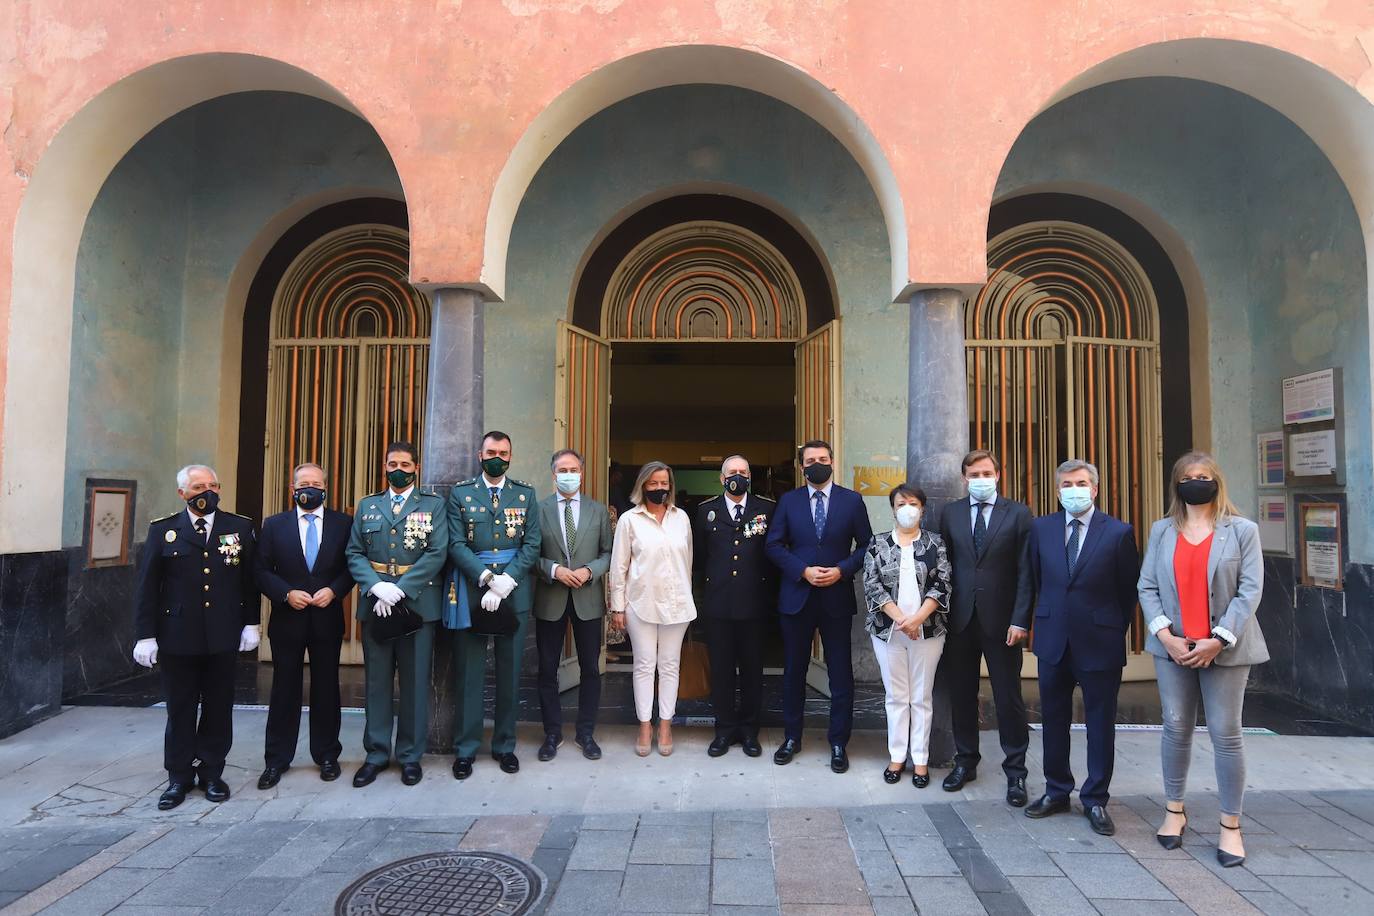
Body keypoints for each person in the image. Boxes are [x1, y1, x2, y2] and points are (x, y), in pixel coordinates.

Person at [1138, 451, 1266, 868]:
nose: (1197, 482)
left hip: (1224, 648)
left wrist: (1218, 639)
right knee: (1175, 727)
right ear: (1177, 483)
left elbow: (1250, 590)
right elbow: (1147, 586)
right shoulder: (1162, 531)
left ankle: (1231, 825)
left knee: (1226, 732)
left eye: (1204, 475)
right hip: (1173, 647)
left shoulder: (1242, 530)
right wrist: (1165, 636)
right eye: (1189, 476)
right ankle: (1174, 810)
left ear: (1217, 481)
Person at [132, 465, 259, 810]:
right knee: (180, 708)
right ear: (182, 493)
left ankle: (212, 772)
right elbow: (147, 588)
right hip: (177, 636)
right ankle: (179, 776)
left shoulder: (240, 527)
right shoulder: (164, 531)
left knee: (219, 707)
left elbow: (249, 582)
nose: (207, 491)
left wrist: (251, 623)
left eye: (212, 485)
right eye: (198, 486)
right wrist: (145, 636)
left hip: (222, 634)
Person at [1024, 459, 1140, 836]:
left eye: (1081, 483)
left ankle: (1095, 799)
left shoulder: (1119, 532)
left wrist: (1110, 625)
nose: (1074, 489)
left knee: (1100, 723)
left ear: (1095, 489)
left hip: (1100, 641)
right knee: (1053, 719)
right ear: (1058, 491)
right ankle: (1057, 790)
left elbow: (1128, 591)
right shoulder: (1041, 529)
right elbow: (1037, 580)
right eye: (1067, 484)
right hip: (1053, 638)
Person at [765, 439, 874, 773]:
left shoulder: (852, 501)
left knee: (841, 675)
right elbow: (773, 544)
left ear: (832, 462)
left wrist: (842, 569)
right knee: (794, 672)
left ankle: (839, 743)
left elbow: (867, 546)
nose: (817, 464)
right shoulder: (788, 501)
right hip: (797, 597)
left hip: (836, 597)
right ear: (802, 467)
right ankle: (791, 738)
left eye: (823, 459)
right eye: (810, 460)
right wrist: (802, 570)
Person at [345, 441, 449, 788]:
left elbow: (437, 552)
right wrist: (377, 588)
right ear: (384, 466)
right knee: (376, 683)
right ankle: (375, 754)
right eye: (393, 463)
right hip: (376, 603)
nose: (399, 470)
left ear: (416, 468)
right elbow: (355, 552)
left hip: (416, 605)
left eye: (406, 464)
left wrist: (401, 588)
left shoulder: (432, 506)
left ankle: (409, 756)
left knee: (415, 683)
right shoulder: (368, 505)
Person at [937, 449, 1034, 805]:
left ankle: (1016, 772)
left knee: (1008, 698)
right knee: (961, 694)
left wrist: (1021, 619)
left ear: (998, 474)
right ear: (965, 477)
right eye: (973, 474)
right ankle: (965, 761)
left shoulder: (1019, 514)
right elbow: (944, 566)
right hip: (960, 620)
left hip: (1003, 621)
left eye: (986, 473)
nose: (980, 479)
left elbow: (1027, 572)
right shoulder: (951, 513)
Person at [254, 462, 354, 788]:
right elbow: (260, 570)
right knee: (284, 690)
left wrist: (335, 590)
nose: (309, 487)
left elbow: (353, 565)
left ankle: (327, 755)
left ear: (325, 488)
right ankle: (276, 760)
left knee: (326, 688)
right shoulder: (274, 525)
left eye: (315, 482)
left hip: (326, 618)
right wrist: (285, 593)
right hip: (287, 619)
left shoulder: (343, 524)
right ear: (292, 489)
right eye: (303, 483)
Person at [448, 430, 542, 778]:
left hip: (513, 590)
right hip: (473, 591)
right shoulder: (461, 493)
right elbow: (456, 544)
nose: (497, 458)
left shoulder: (525, 494)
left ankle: (505, 745)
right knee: (470, 674)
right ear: (479, 455)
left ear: (511, 457)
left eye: (503, 452)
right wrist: (487, 579)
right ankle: (466, 748)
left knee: (509, 674)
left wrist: (507, 581)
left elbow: (532, 544)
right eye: (491, 451)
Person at [863, 484, 950, 787]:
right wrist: (902, 620)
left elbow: (943, 583)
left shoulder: (935, 544)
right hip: (888, 632)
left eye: (913, 503)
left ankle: (921, 760)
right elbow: (872, 584)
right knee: (896, 697)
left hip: (928, 631)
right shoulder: (878, 543)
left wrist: (918, 619)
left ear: (922, 508)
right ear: (893, 509)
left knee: (921, 697)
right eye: (901, 503)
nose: (908, 508)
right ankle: (897, 756)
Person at [608, 461, 696, 756]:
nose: (660, 488)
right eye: (653, 483)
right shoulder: (629, 520)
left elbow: (688, 562)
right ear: (643, 485)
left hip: (677, 604)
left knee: (670, 665)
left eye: (664, 483)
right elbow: (618, 566)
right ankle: (645, 725)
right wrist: (617, 607)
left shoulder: (681, 518)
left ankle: (666, 724)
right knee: (644, 665)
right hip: (641, 603)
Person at [693, 455, 777, 758]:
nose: (737, 476)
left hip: (754, 605)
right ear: (721, 478)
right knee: (722, 672)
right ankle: (725, 730)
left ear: (750, 476)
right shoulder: (706, 512)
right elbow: (700, 559)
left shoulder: (766, 509)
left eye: (743, 472)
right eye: (732, 472)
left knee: (753, 671)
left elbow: (772, 556)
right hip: (718, 607)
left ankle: (750, 731)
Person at [533, 448, 614, 762]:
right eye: (562, 469)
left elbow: (608, 552)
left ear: (582, 472)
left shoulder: (597, 511)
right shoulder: (537, 510)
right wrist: (554, 570)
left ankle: (586, 732)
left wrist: (589, 570)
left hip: (588, 599)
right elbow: (529, 555)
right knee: (547, 670)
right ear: (554, 474)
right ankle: (552, 733)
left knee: (591, 669)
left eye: (574, 469)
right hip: (550, 598)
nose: (569, 474)